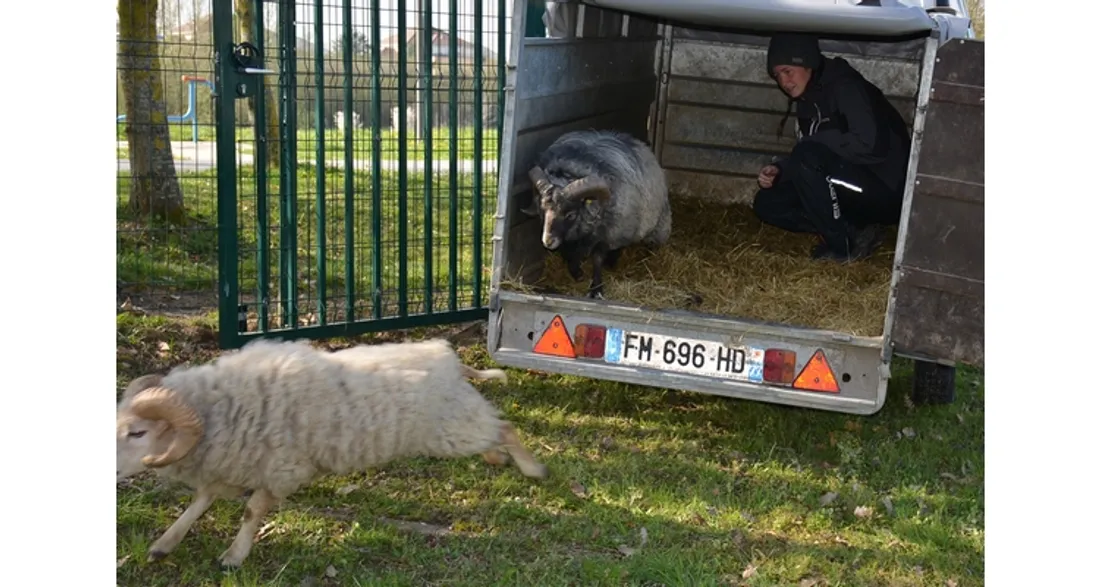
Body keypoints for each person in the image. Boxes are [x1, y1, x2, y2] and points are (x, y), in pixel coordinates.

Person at [752, 33, 912, 262]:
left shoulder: (846, 88)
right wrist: (780, 170)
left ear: (806, 62)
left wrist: (811, 147)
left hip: (883, 189)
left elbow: (869, 146)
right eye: (777, 75)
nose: (784, 82)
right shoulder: (807, 101)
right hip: (844, 187)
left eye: (788, 71)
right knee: (768, 204)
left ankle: (843, 247)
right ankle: (856, 230)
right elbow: (813, 153)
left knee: (808, 156)